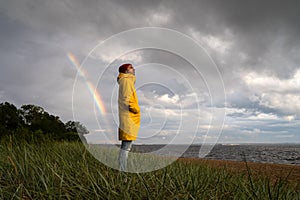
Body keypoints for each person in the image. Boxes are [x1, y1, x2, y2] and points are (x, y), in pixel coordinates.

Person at [117, 63, 140, 171]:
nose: (133, 69)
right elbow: (127, 99)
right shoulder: (126, 80)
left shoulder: (127, 80)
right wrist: (135, 109)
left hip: (129, 118)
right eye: (131, 68)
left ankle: (123, 170)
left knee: (126, 146)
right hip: (128, 118)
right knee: (126, 147)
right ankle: (123, 172)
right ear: (126, 71)